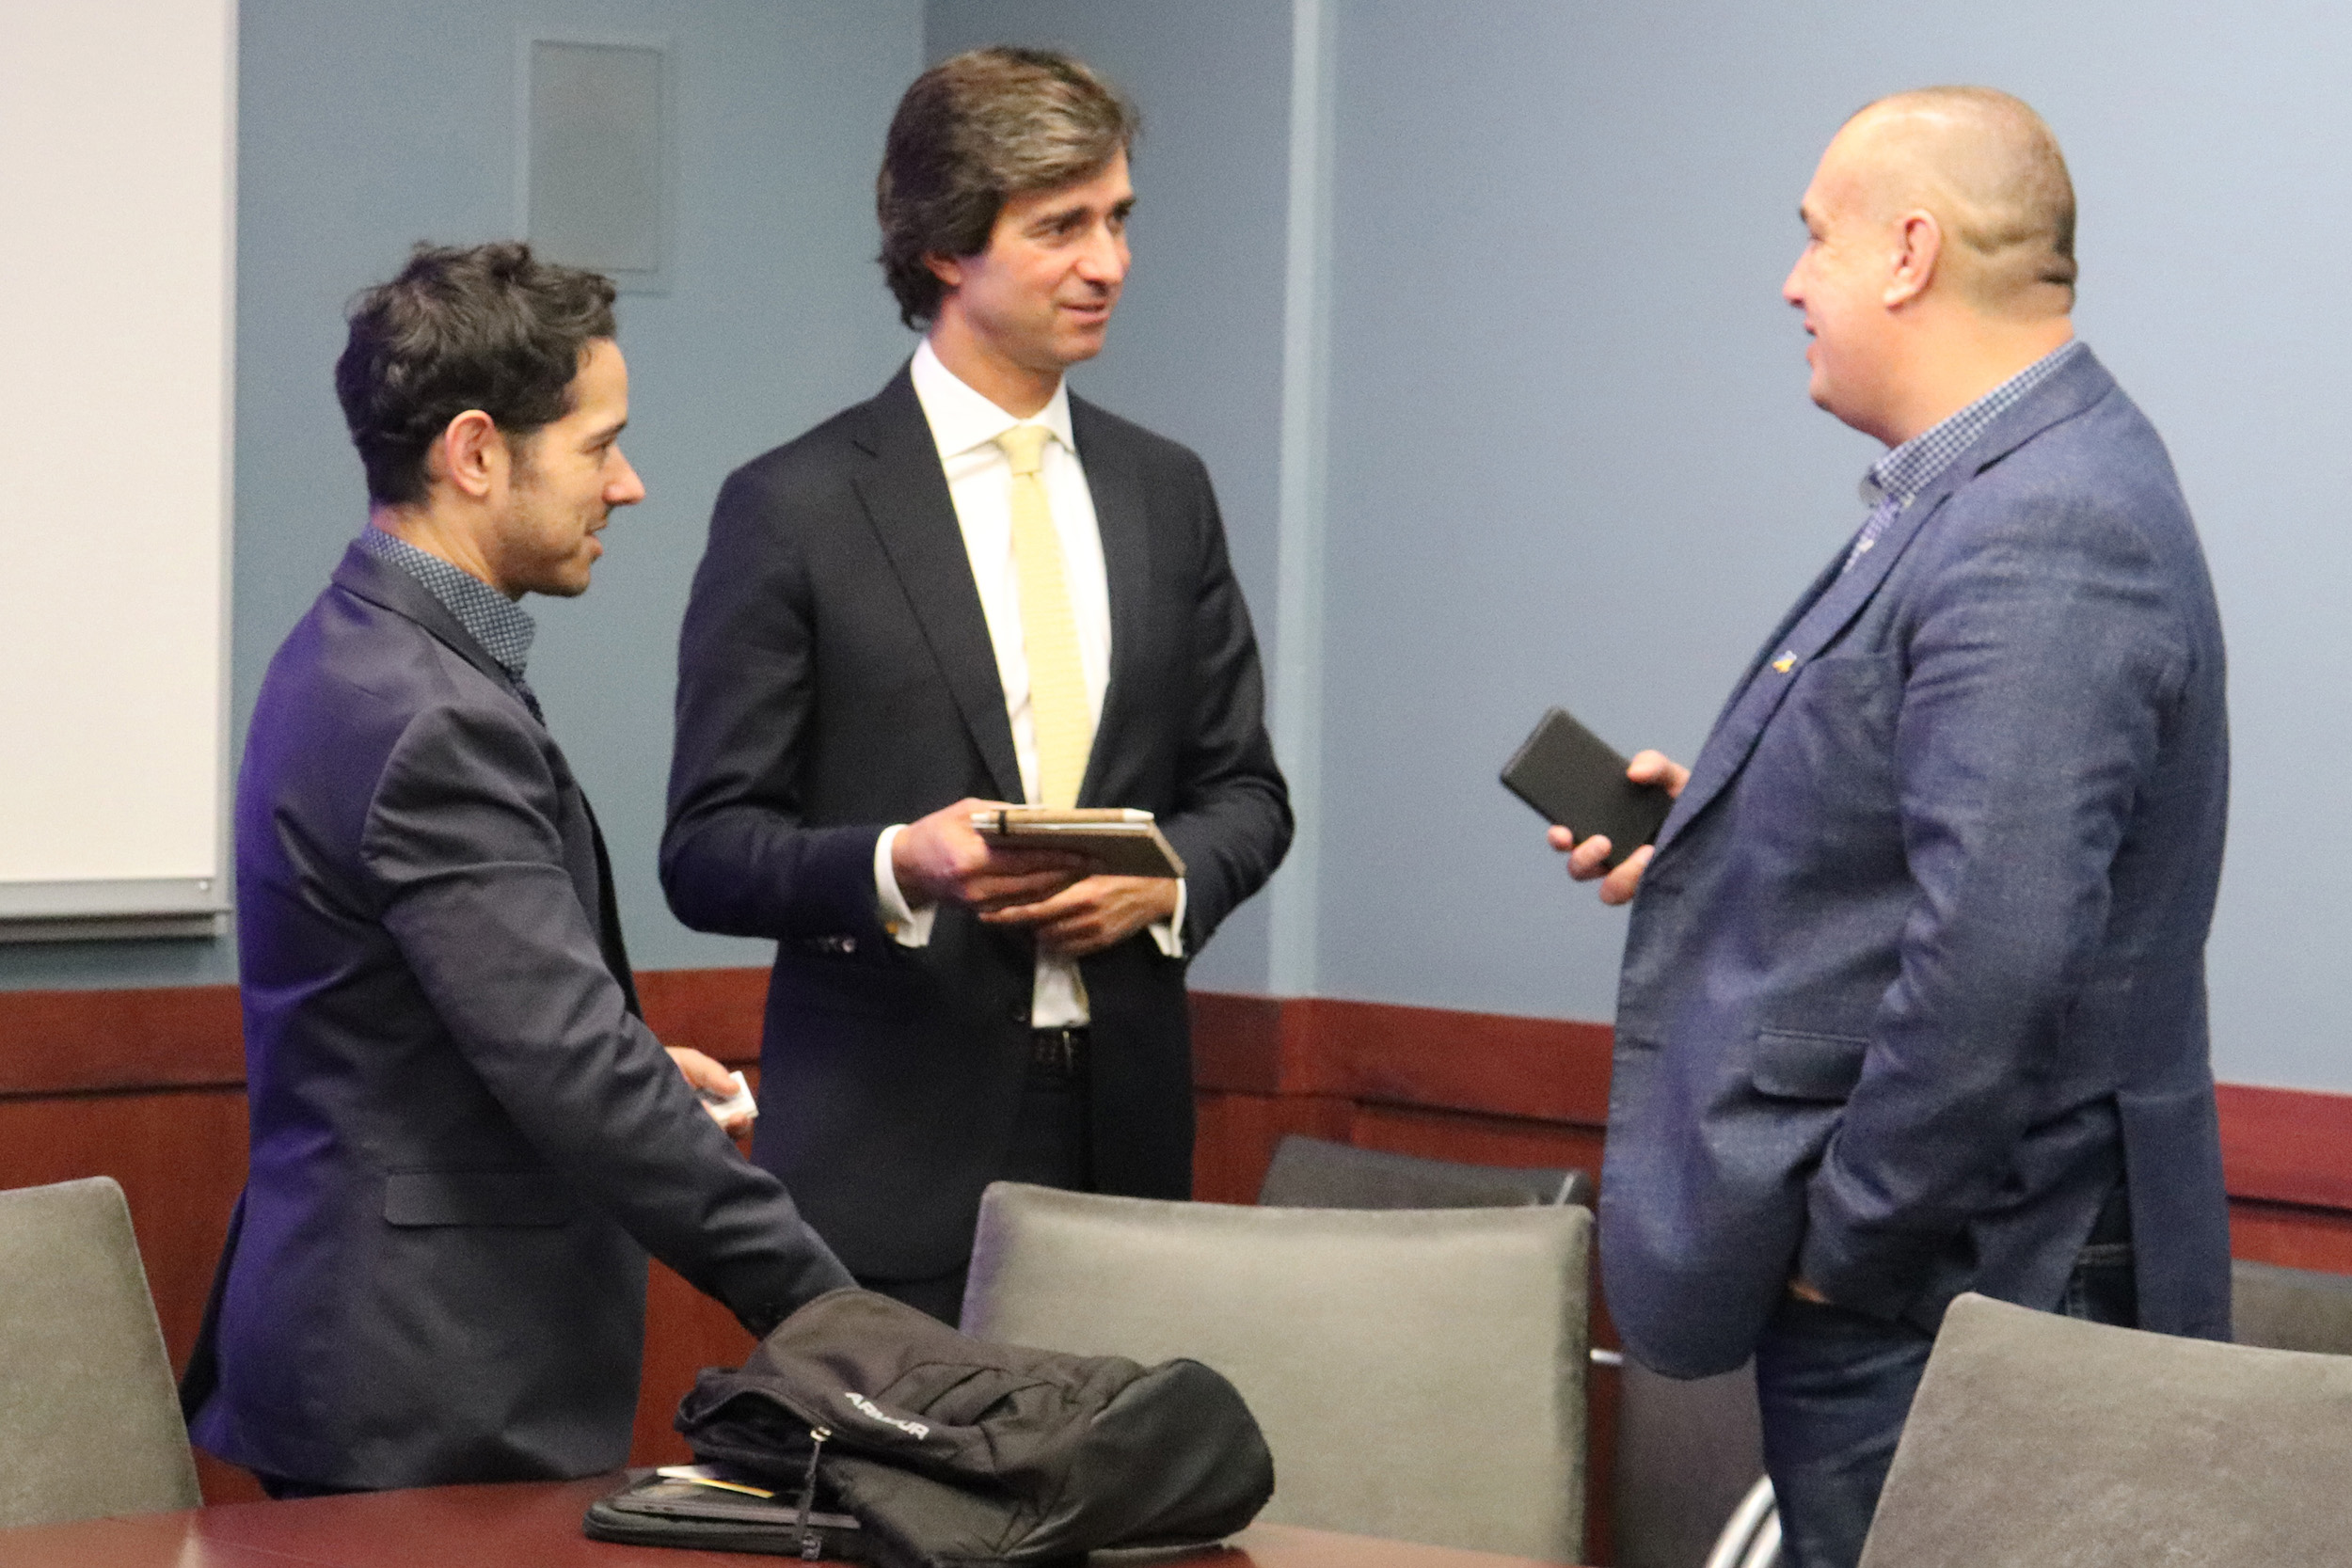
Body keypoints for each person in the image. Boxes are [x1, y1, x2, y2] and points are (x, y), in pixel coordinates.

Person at [1555, 88, 2230, 1568]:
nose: (1795, 281)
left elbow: (1998, 958)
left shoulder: (2045, 522)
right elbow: (1947, 850)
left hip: (1966, 1283)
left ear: (1910, 253)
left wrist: (1844, 1254)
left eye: (1816, 239)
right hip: (1963, 1271)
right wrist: (1727, 844)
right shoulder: (1997, 491)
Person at [183, 243, 852, 1496]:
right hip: (426, 1391)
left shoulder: (361, 652)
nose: (630, 483)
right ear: (478, 453)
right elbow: (576, 1075)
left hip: (396, 1369)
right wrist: (841, 1328)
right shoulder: (428, 711)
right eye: (600, 445)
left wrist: (634, 1061)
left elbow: (435, 1015)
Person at [661, 48, 1291, 1323]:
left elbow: (1246, 794)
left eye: (1117, 219)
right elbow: (709, 849)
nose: (1108, 262)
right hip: (883, 1163)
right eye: (1061, 227)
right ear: (948, 249)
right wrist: (904, 862)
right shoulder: (795, 507)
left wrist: (1167, 879)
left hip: (1125, 1146)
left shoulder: (1166, 492)